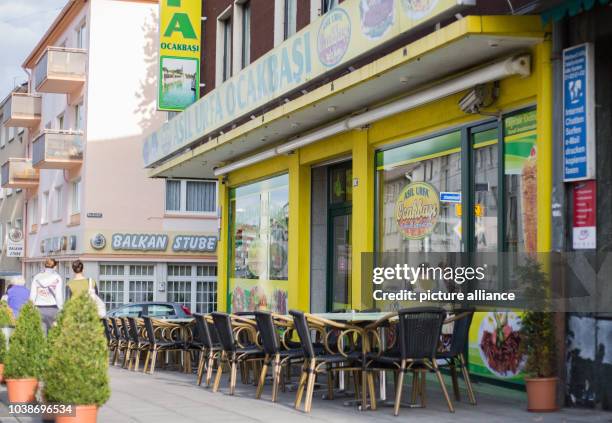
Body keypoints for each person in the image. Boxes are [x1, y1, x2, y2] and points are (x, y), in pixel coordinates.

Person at [30, 258, 64, 334]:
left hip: (38, 309)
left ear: (44, 266)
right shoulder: (57, 278)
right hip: (53, 309)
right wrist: (61, 308)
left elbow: (32, 295)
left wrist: (31, 308)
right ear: (55, 267)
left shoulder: (37, 277)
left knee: (41, 335)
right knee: (53, 334)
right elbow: (58, 296)